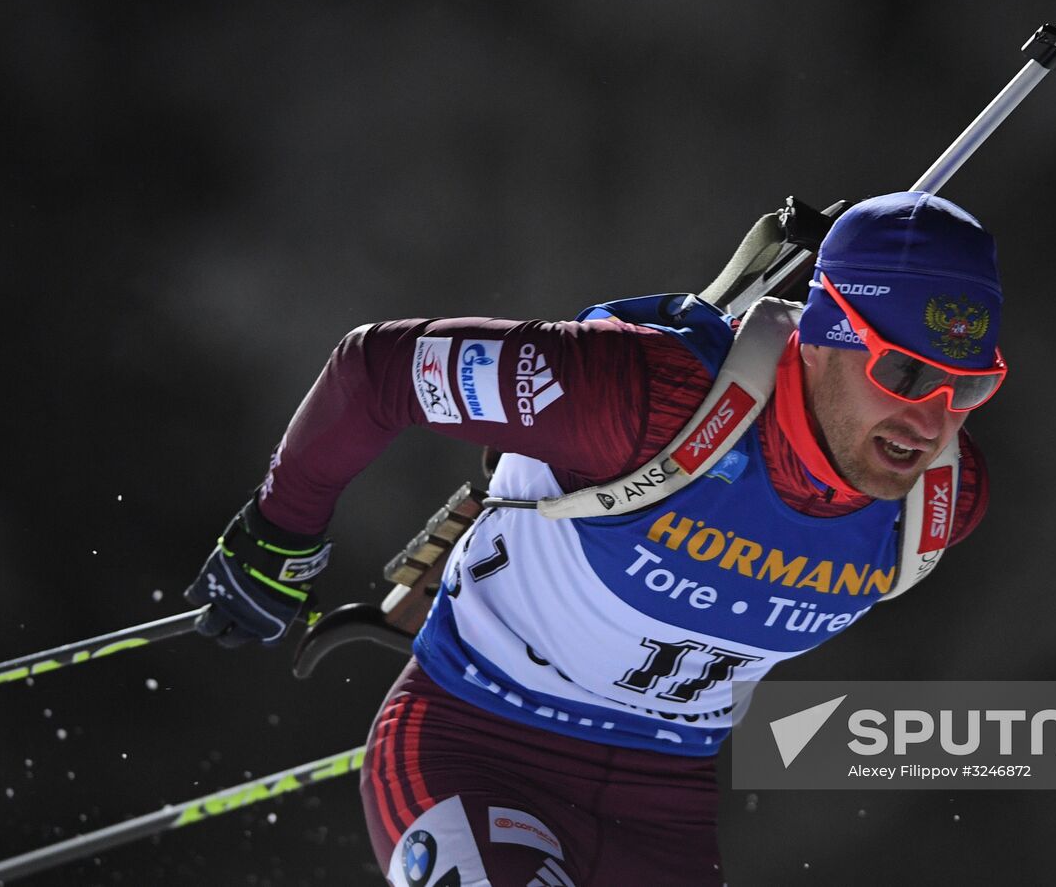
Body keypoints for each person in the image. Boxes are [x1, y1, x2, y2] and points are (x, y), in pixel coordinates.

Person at [186, 190, 1008, 886]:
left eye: (967, 385)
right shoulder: (644, 394)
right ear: (825, 333)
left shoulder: (943, 499)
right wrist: (278, 536)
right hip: (478, 745)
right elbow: (376, 373)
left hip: (665, 809)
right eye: (902, 372)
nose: (929, 422)